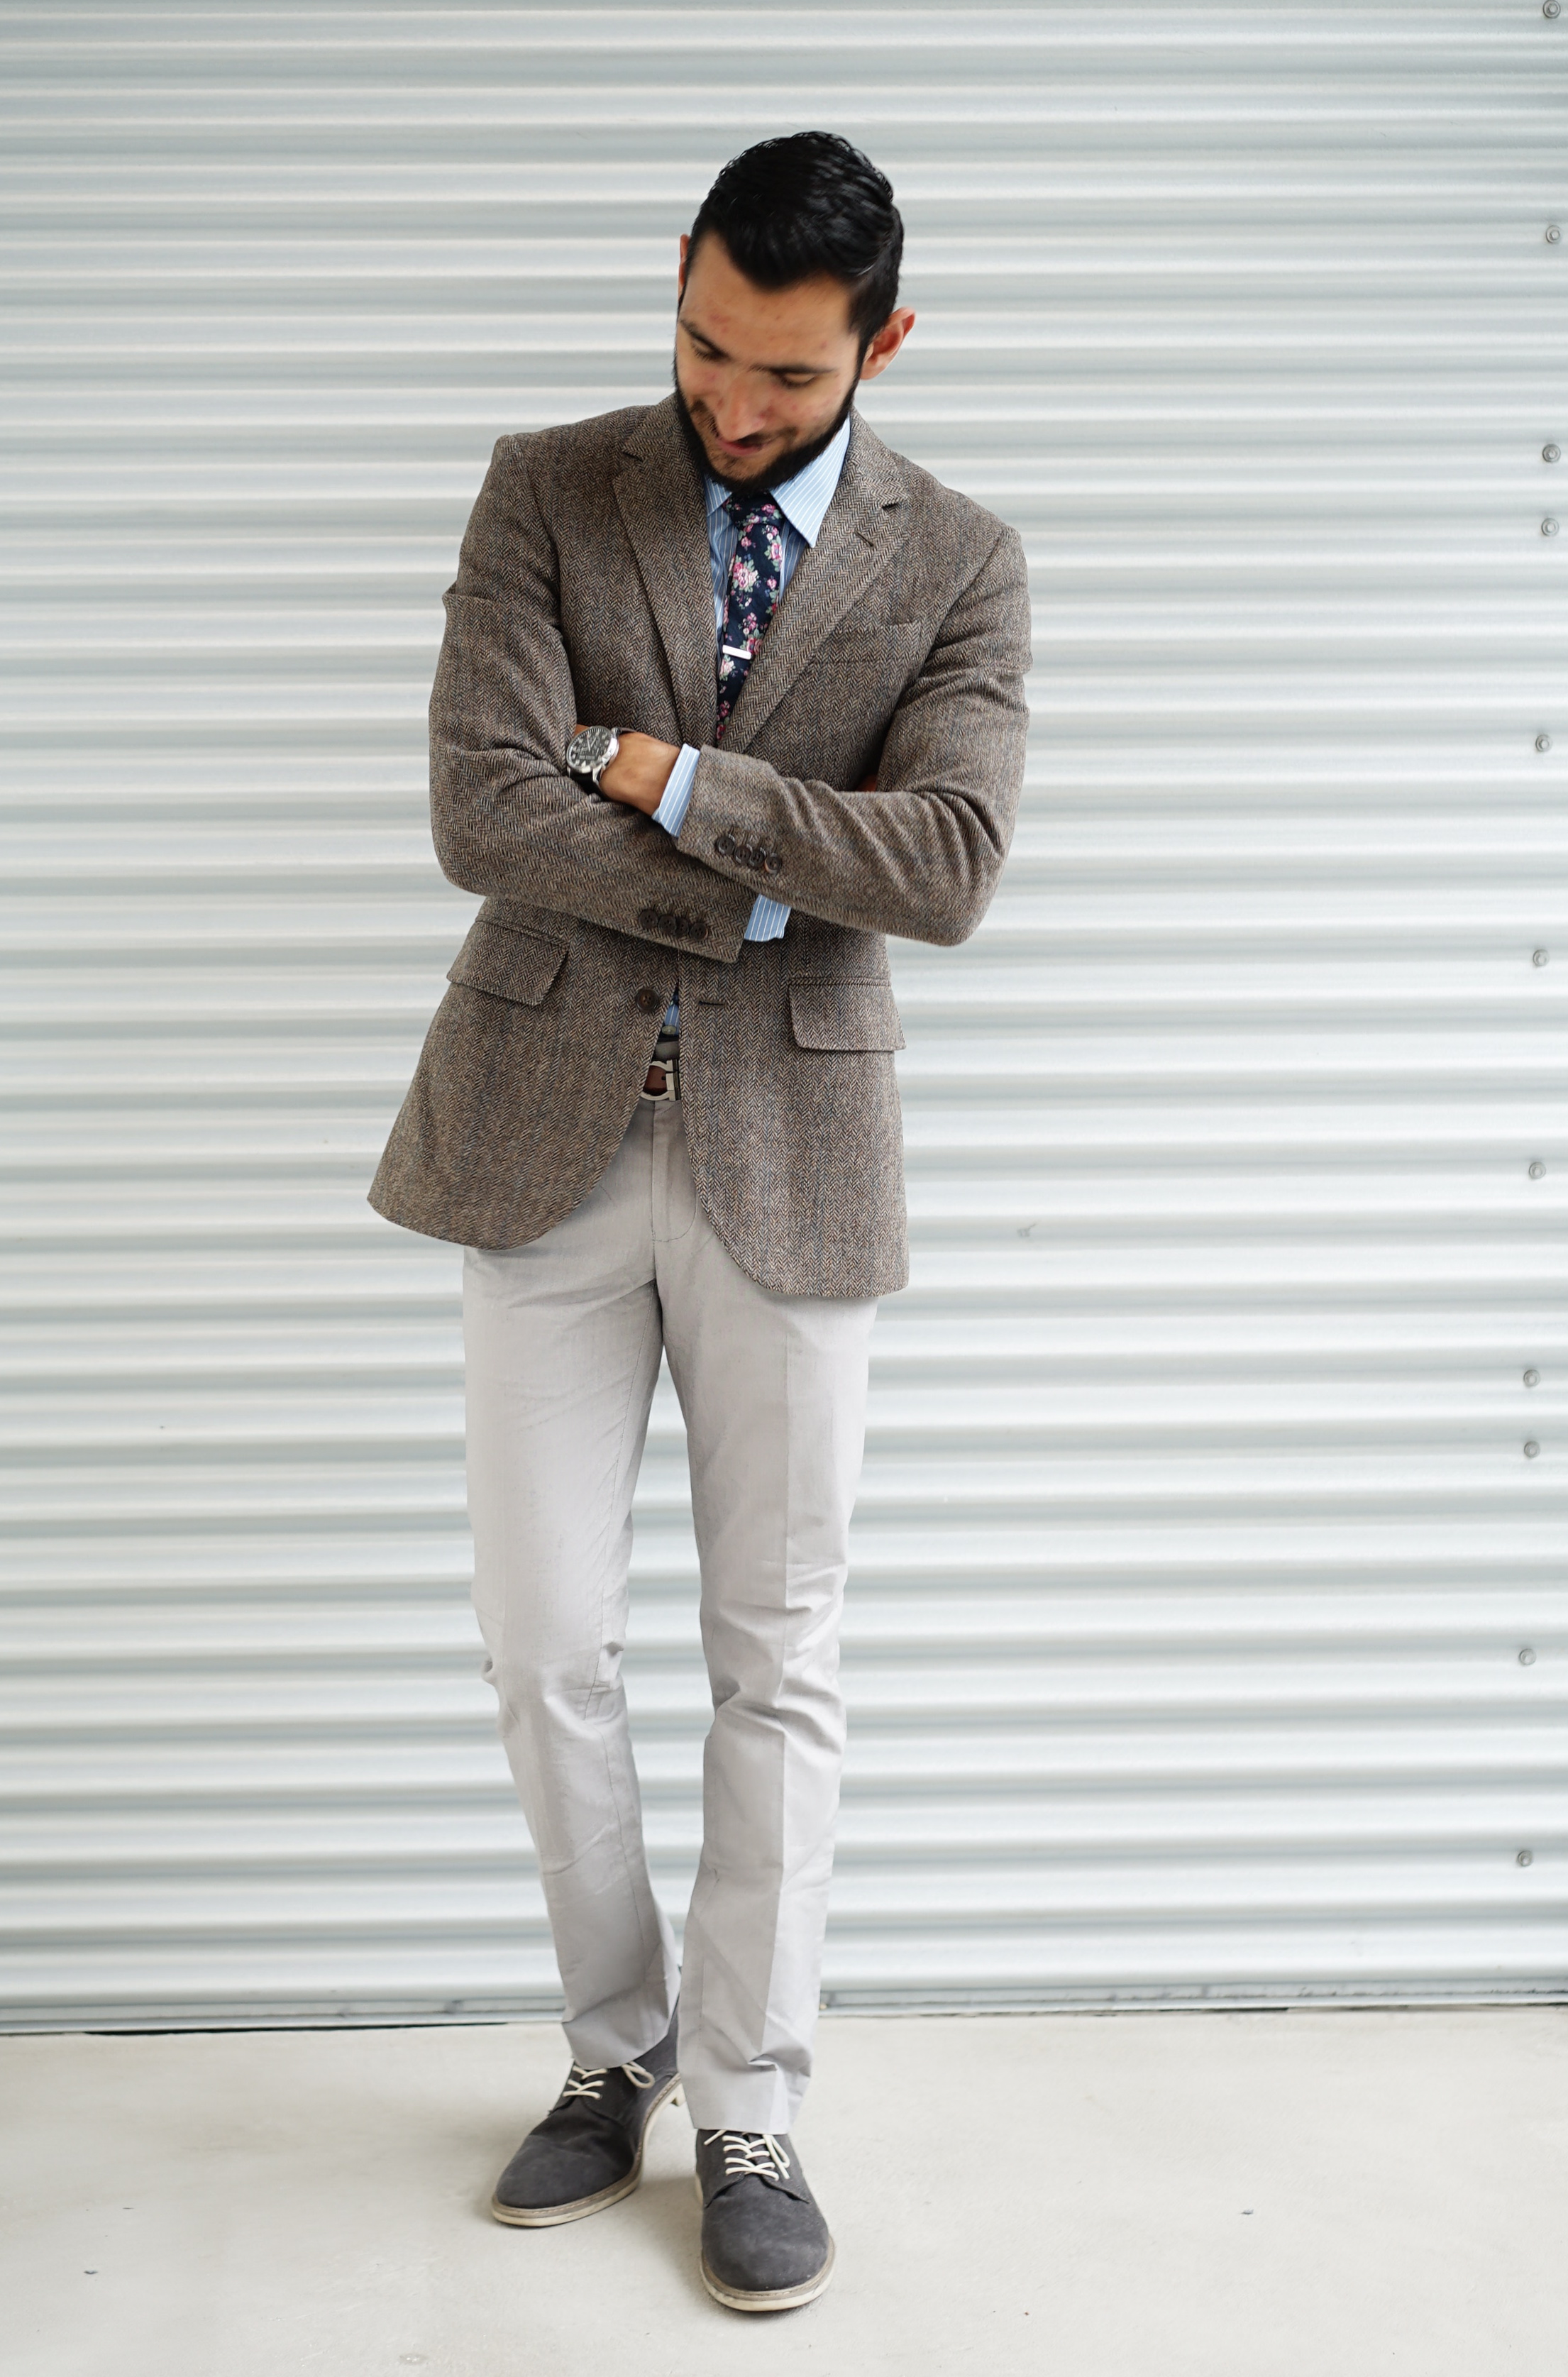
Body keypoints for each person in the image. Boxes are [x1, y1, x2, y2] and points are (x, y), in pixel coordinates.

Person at [370, 129, 1030, 2313]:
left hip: (794, 1155)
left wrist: (659, 774)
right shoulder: (548, 488)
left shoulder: (961, 561)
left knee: (779, 1651)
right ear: (677, 279)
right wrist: (769, 875)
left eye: (786, 374)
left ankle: (748, 2099)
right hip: (540, 1131)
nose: (732, 403)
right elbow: (479, 806)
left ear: (882, 343)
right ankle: (616, 2048)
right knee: (543, 1638)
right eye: (703, 345)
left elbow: (943, 866)